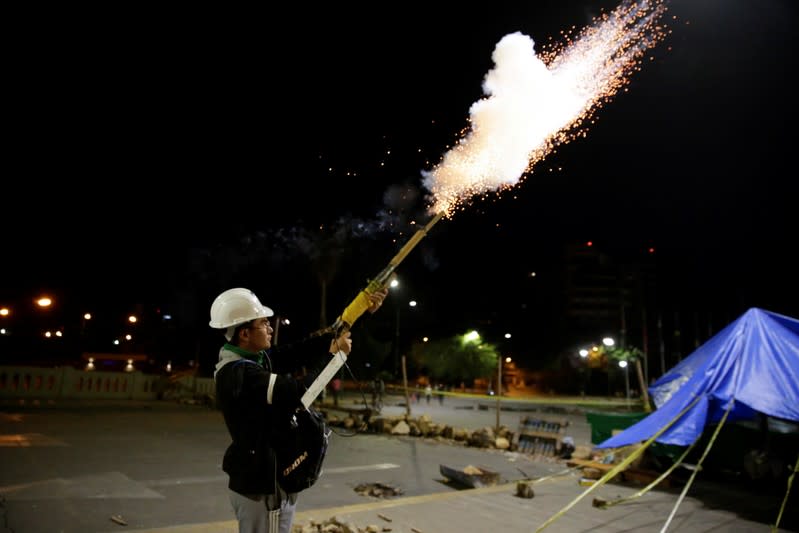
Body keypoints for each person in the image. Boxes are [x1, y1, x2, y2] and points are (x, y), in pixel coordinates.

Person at [211, 286, 387, 533]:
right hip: (264, 488)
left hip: (266, 480)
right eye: (264, 323)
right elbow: (300, 394)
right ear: (244, 334)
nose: (271, 328)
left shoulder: (255, 360)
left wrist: (357, 314)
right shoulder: (239, 373)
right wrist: (336, 358)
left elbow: (302, 350)